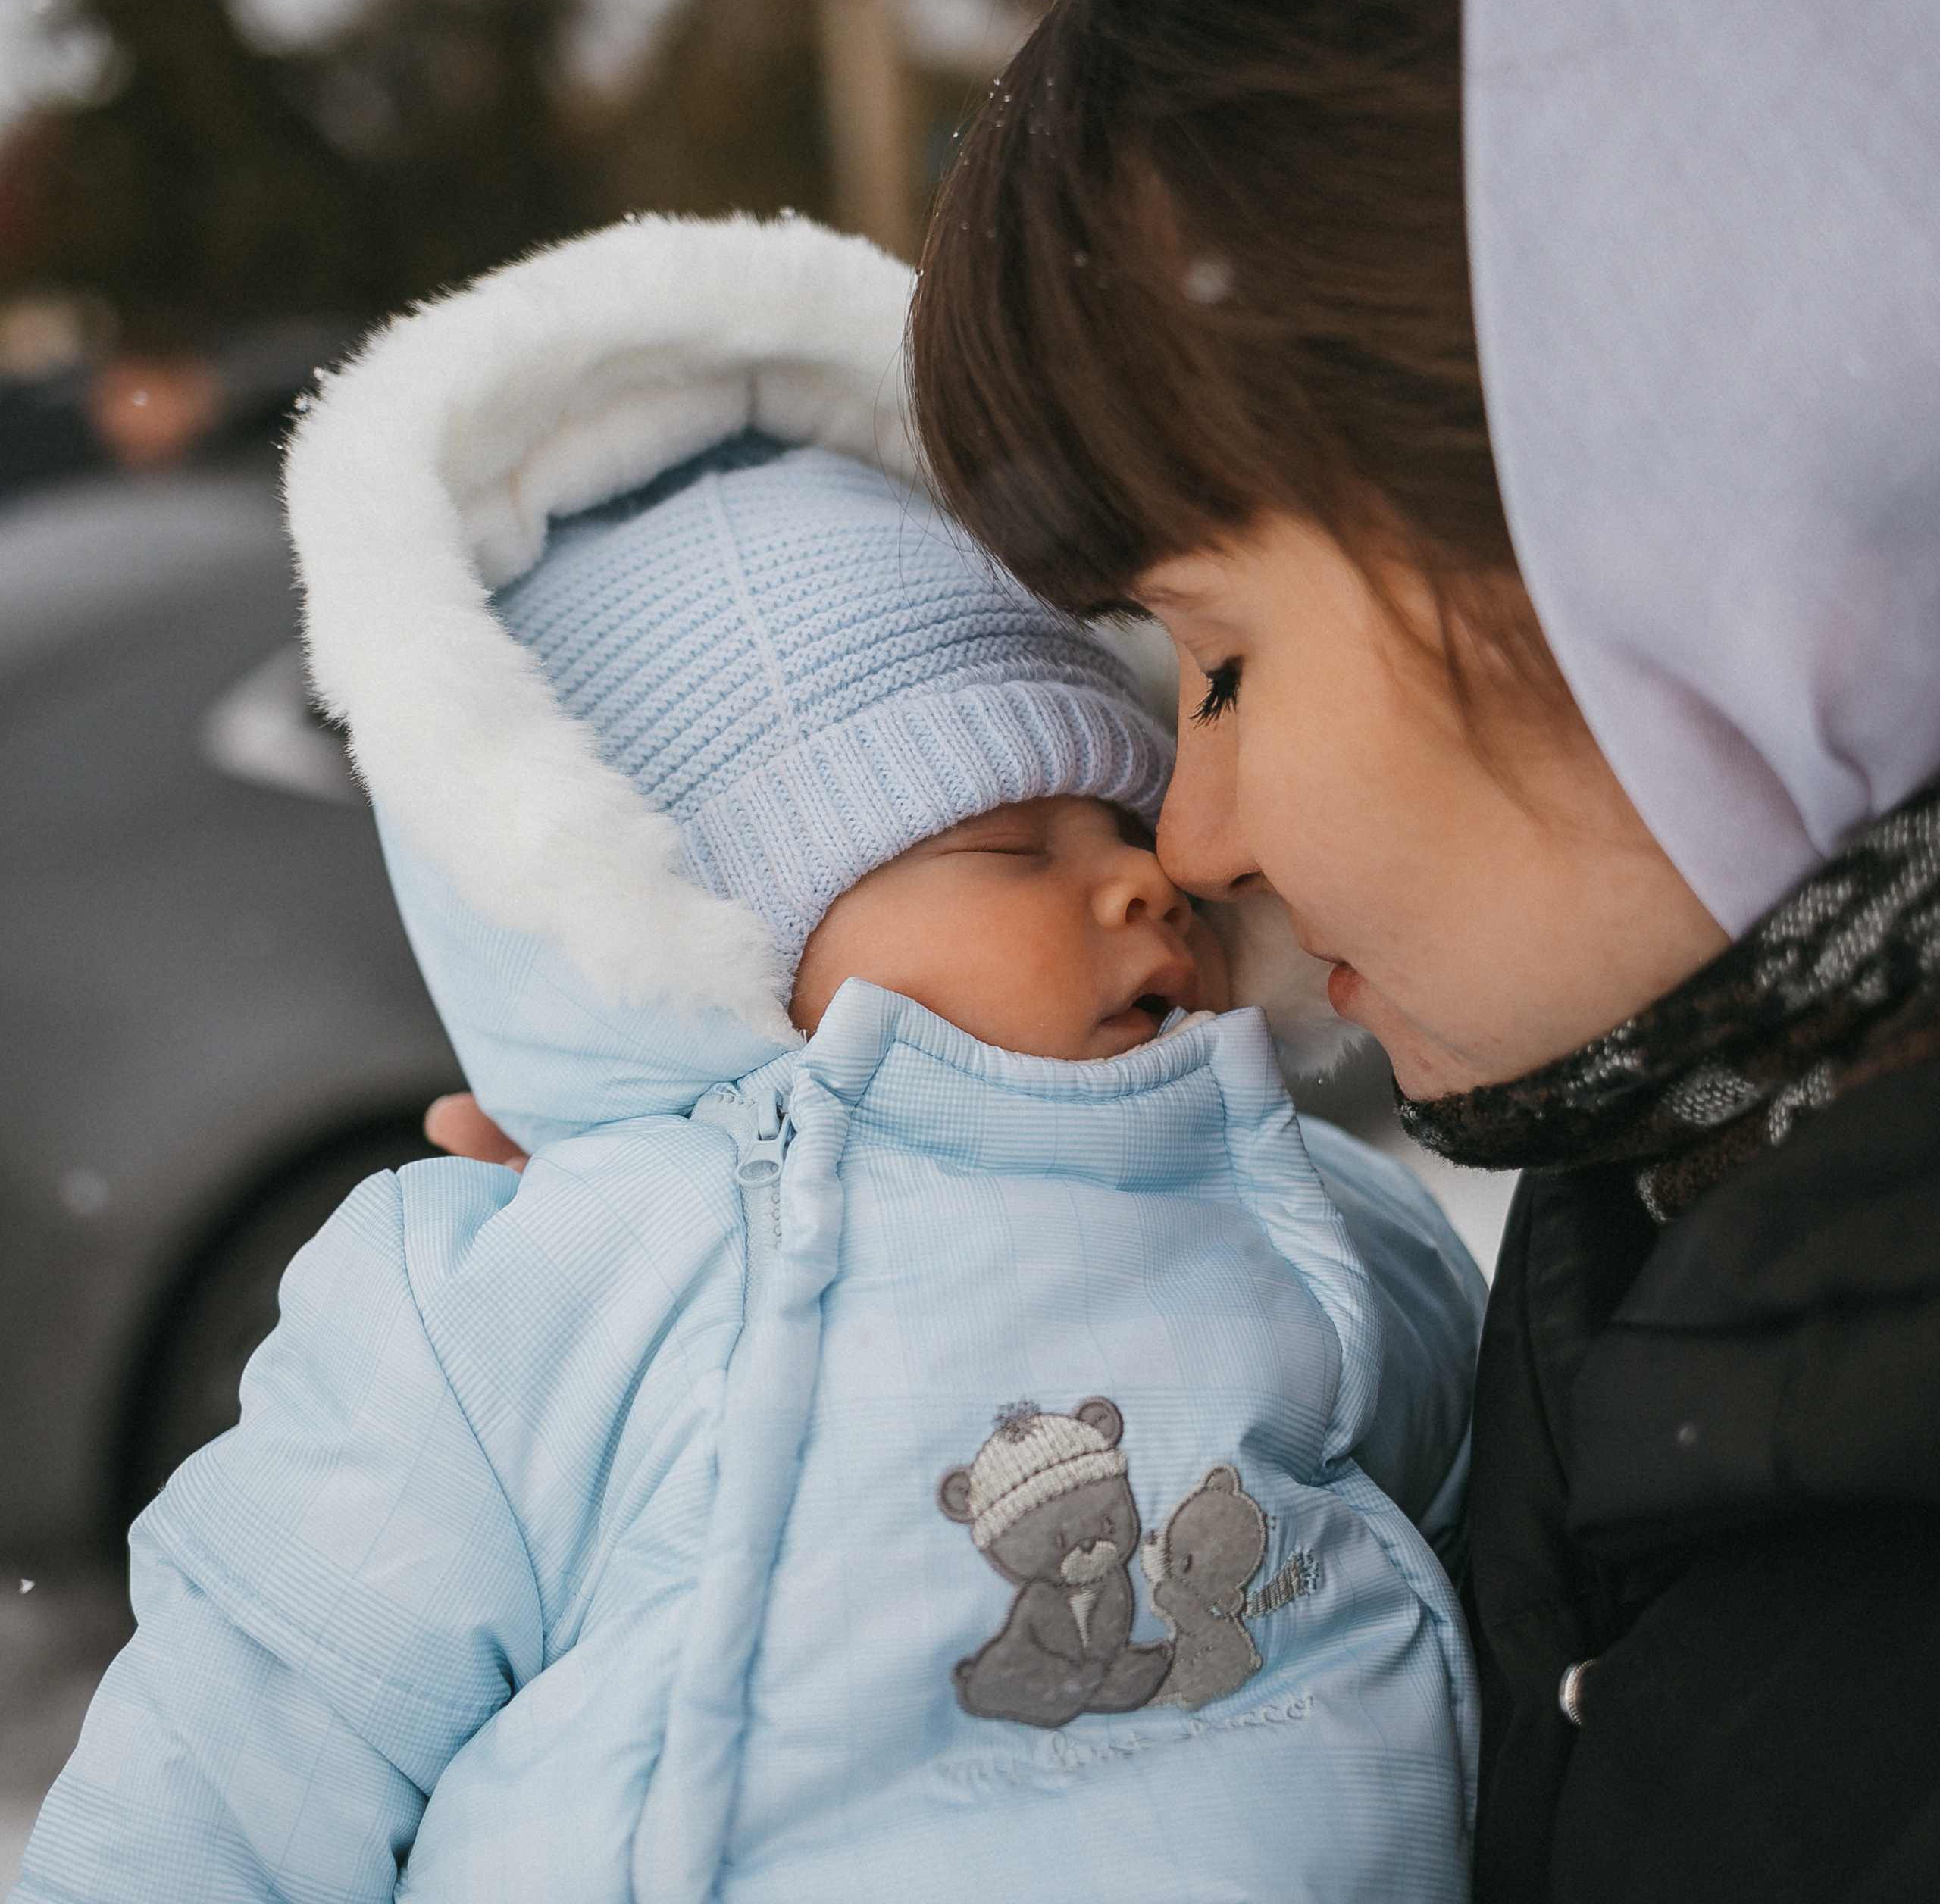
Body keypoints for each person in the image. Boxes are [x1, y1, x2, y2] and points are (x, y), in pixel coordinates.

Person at [13, 214, 1486, 1904]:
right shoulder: (551, 1296)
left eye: (1126, 820)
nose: (1143, 880)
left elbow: (1499, 1570)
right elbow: (248, 1744)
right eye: (1008, 843)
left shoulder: (1330, 1225)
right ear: (712, 953)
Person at [906, 0, 1940, 1899]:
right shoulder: (1666, 1196)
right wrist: (748, 1315)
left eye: (1217, 658)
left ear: (1664, 547)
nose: (1192, 837)